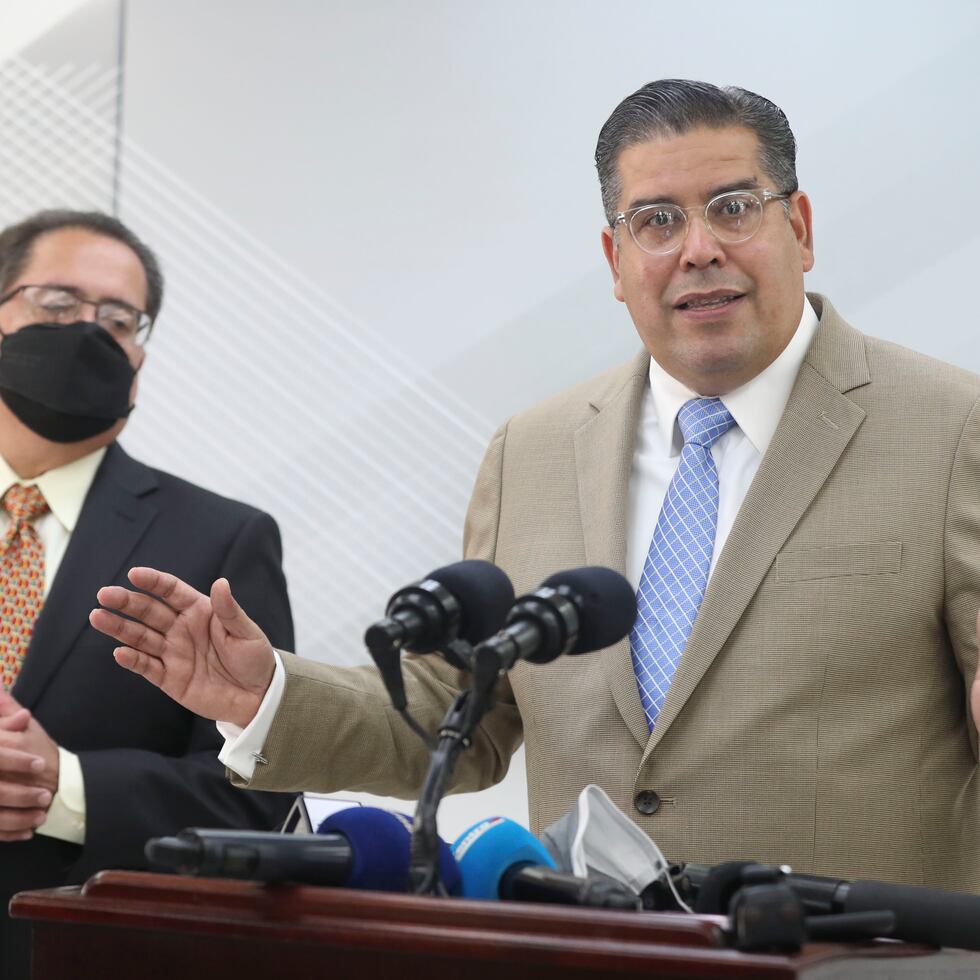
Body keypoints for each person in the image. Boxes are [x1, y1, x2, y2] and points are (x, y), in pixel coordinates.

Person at [92, 81, 980, 894]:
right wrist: (265, 695)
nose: (699, 249)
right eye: (657, 221)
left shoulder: (950, 429)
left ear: (803, 227)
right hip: (582, 947)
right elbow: (459, 712)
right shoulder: (534, 450)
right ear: (615, 256)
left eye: (734, 207)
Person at [0, 210, 295, 978]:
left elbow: (254, 802)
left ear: (140, 354)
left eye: (119, 319)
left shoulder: (219, 542)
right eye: (58, 304)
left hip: (67, 953)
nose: (88, 333)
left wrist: (60, 783)